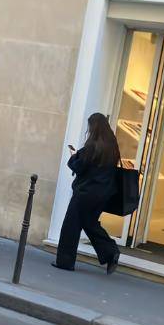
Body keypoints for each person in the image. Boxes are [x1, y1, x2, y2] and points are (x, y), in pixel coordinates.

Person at [53, 113, 121, 274]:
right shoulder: (112, 147)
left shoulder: (91, 147)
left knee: (71, 225)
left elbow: (78, 166)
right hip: (103, 194)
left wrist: (73, 156)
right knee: (90, 223)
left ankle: (65, 261)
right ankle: (110, 252)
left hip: (85, 192)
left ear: (93, 127)